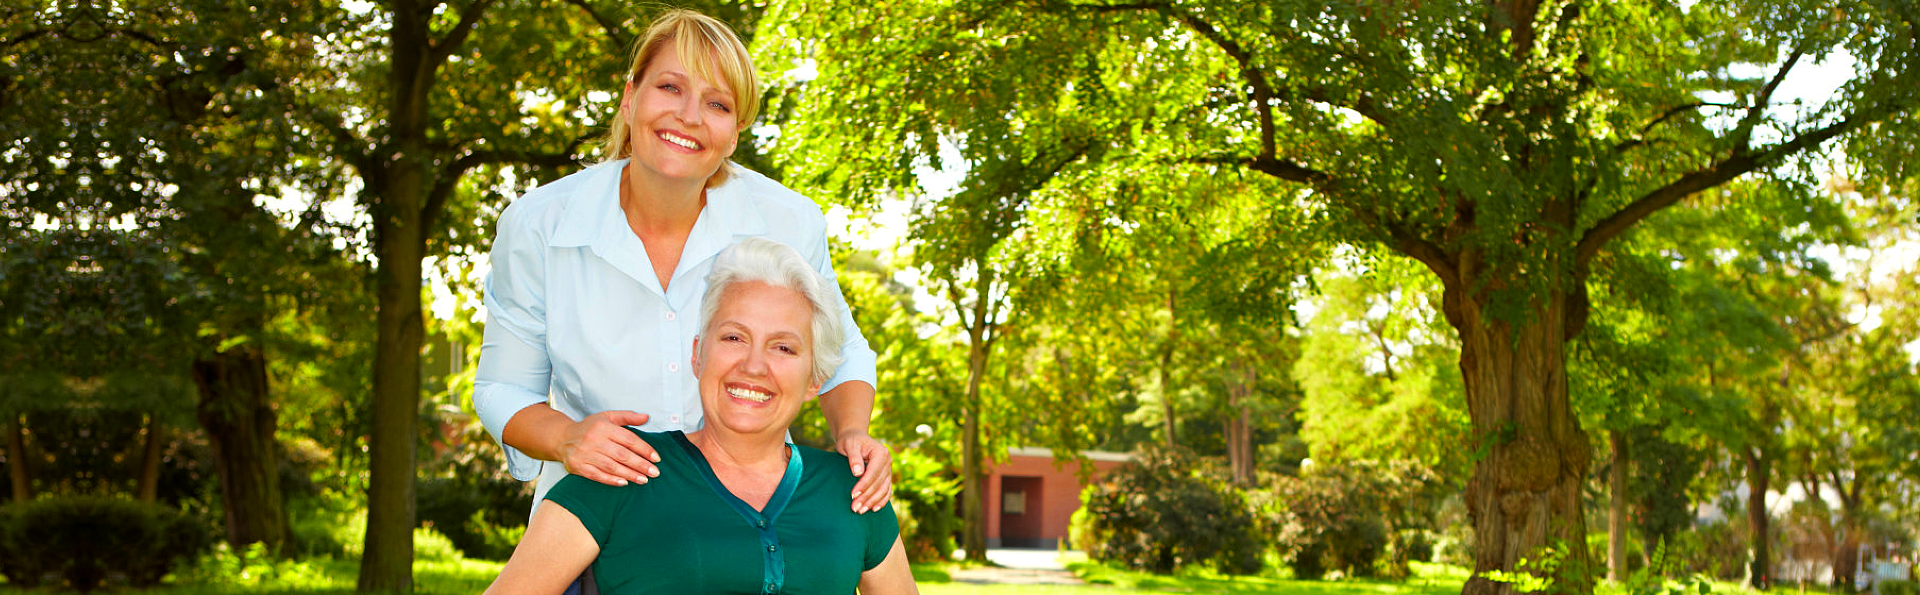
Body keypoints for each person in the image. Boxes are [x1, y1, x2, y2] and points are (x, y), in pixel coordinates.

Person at [474, 9, 891, 514]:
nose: (689, 116)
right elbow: (503, 387)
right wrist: (567, 438)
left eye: (716, 103)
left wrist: (852, 433)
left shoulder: (788, 221)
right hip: (591, 519)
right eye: (671, 87)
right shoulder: (538, 225)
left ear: (734, 134)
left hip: (744, 518)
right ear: (630, 99)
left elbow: (839, 351)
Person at [484, 238, 918, 594]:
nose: (753, 365)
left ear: (814, 380)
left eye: (783, 347)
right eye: (734, 337)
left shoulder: (854, 490)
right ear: (697, 356)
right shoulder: (621, 471)